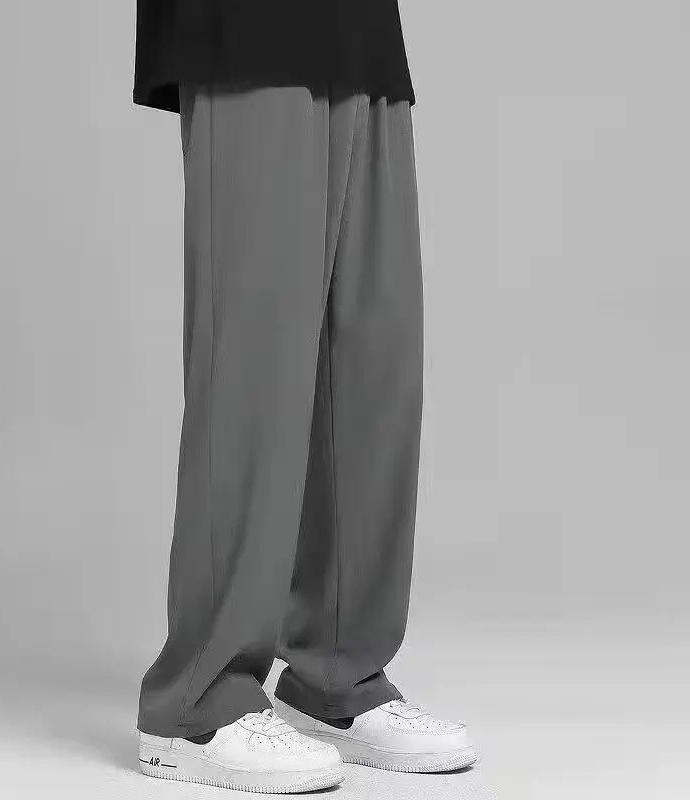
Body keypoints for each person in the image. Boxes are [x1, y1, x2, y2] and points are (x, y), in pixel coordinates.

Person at [133, 0, 477, 792]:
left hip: (360, 31)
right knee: (254, 358)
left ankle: (336, 676)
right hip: (244, 25)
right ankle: (196, 701)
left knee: (374, 357)